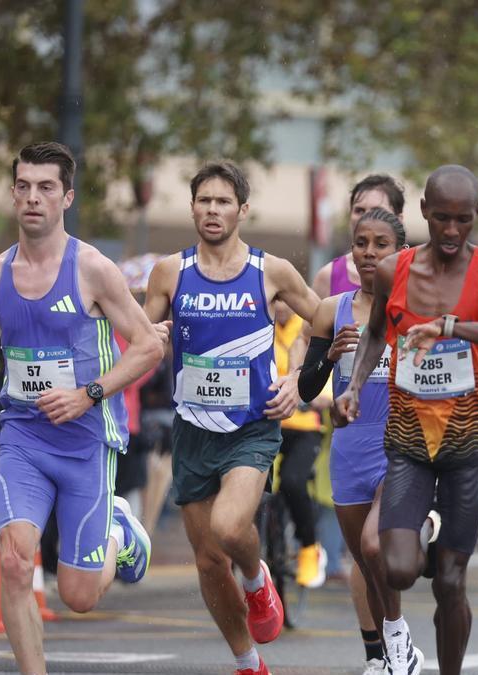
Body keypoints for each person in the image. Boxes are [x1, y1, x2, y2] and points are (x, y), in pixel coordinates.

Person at [0, 142, 160, 673]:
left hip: (86, 438)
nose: (33, 197)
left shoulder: (93, 268)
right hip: (23, 436)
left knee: (79, 595)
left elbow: (149, 346)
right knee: (16, 561)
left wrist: (88, 394)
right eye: (24, 186)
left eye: (46, 187)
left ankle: (118, 531)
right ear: (13, 194)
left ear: (66, 196)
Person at [341, 165, 478, 675]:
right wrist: (356, 385)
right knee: (399, 569)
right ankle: (427, 525)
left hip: (470, 445)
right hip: (408, 440)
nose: (452, 232)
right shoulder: (394, 270)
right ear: (424, 211)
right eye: (442, 218)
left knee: (451, 580)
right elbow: (376, 332)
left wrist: (456, 326)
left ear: (477, 216)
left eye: (463, 220)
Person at [143, 160, 322, 675]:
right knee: (205, 561)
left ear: (242, 210)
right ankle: (248, 661)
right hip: (192, 429)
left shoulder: (271, 271)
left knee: (228, 526)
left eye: (224, 201)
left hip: (252, 425)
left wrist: (296, 382)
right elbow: (137, 337)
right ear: (193, 207)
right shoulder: (169, 273)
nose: (213, 210)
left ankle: (256, 575)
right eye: (204, 200)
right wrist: (146, 339)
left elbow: (321, 321)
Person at [299, 207, 413, 675]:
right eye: (360, 242)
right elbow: (307, 389)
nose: (369, 253)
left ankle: (399, 637)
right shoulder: (332, 309)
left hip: (402, 444)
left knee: (374, 545)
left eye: (380, 244)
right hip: (349, 447)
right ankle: (382, 654)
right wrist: (329, 354)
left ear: (400, 252)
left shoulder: (416, 308)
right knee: (364, 566)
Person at [272, 299, 332, 589]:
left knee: (293, 482)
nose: (280, 307)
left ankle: (310, 548)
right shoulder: (261, 330)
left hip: (305, 428)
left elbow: (327, 385)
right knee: (250, 488)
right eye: (274, 301)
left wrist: (309, 397)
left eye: (285, 301)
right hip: (268, 424)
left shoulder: (310, 330)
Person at [312, 175, 406, 297]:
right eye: (359, 210)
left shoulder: (416, 276)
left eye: (377, 211)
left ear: (398, 219)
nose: (366, 218)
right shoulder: (329, 275)